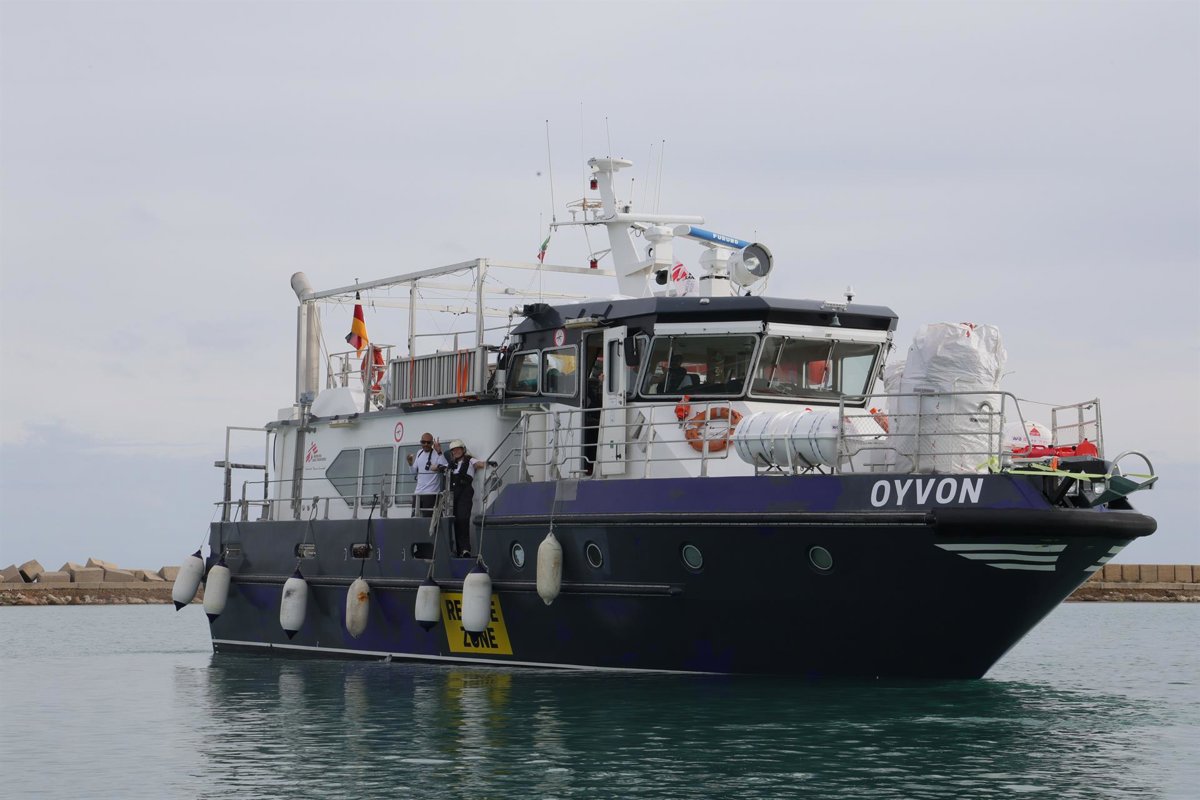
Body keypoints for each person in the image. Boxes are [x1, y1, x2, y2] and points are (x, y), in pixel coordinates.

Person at [445, 439, 486, 556]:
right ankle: (457, 550)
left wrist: (488, 464)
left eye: (458, 449)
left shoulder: (470, 460)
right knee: (453, 520)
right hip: (453, 494)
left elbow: (480, 464)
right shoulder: (451, 465)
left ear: (463, 450)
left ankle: (465, 549)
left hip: (465, 492)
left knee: (463, 519)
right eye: (453, 450)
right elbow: (436, 467)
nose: (456, 451)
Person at [406, 433, 447, 517]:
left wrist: (439, 451)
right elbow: (414, 472)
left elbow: (446, 466)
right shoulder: (419, 452)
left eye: (428, 442)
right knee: (414, 519)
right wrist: (410, 464)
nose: (426, 444)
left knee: (429, 520)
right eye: (423, 442)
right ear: (420, 442)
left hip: (431, 493)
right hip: (418, 493)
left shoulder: (437, 453)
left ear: (432, 443)